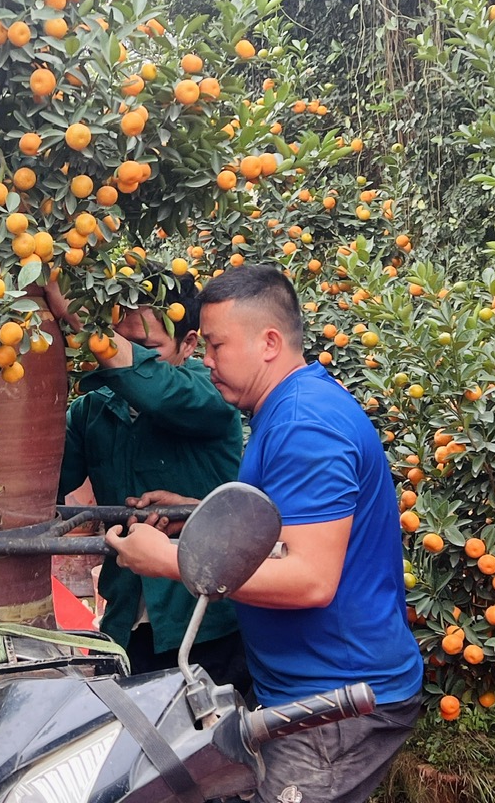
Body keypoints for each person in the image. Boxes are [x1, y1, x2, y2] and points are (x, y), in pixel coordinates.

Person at [106, 264, 422, 803]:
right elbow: (290, 525)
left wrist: (171, 560)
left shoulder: (305, 424)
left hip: (334, 702)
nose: (206, 360)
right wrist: (201, 515)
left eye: (216, 345)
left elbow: (311, 579)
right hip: (306, 689)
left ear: (269, 342)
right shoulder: (290, 407)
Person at [45, 267, 249, 688]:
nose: (121, 356)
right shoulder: (92, 411)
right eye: (121, 341)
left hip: (208, 625)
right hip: (125, 626)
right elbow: (45, 481)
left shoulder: (211, 396)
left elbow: (159, 391)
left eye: (146, 347)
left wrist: (77, 317)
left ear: (188, 344)